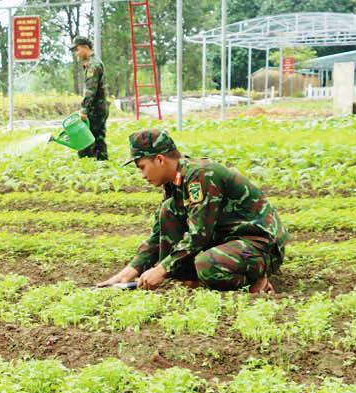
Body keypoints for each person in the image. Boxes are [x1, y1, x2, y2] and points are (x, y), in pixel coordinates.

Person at [98, 129, 289, 293]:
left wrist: (162, 268)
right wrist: (131, 269)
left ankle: (255, 278)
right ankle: (198, 278)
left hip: (259, 244)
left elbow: (199, 234)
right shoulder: (175, 181)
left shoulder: (201, 175)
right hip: (228, 238)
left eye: (142, 167)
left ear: (159, 159)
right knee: (169, 210)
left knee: (207, 265)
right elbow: (159, 235)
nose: (142, 175)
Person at [71, 35, 107, 161]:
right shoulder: (92, 63)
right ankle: (100, 165)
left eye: (77, 49)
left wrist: (84, 110)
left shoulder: (93, 65)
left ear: (86, 47)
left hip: (95, 109)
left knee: (91, 140)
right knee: (97, 139)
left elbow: (91, 90)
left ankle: (96, 165)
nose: (77, 53)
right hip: (97, 108)